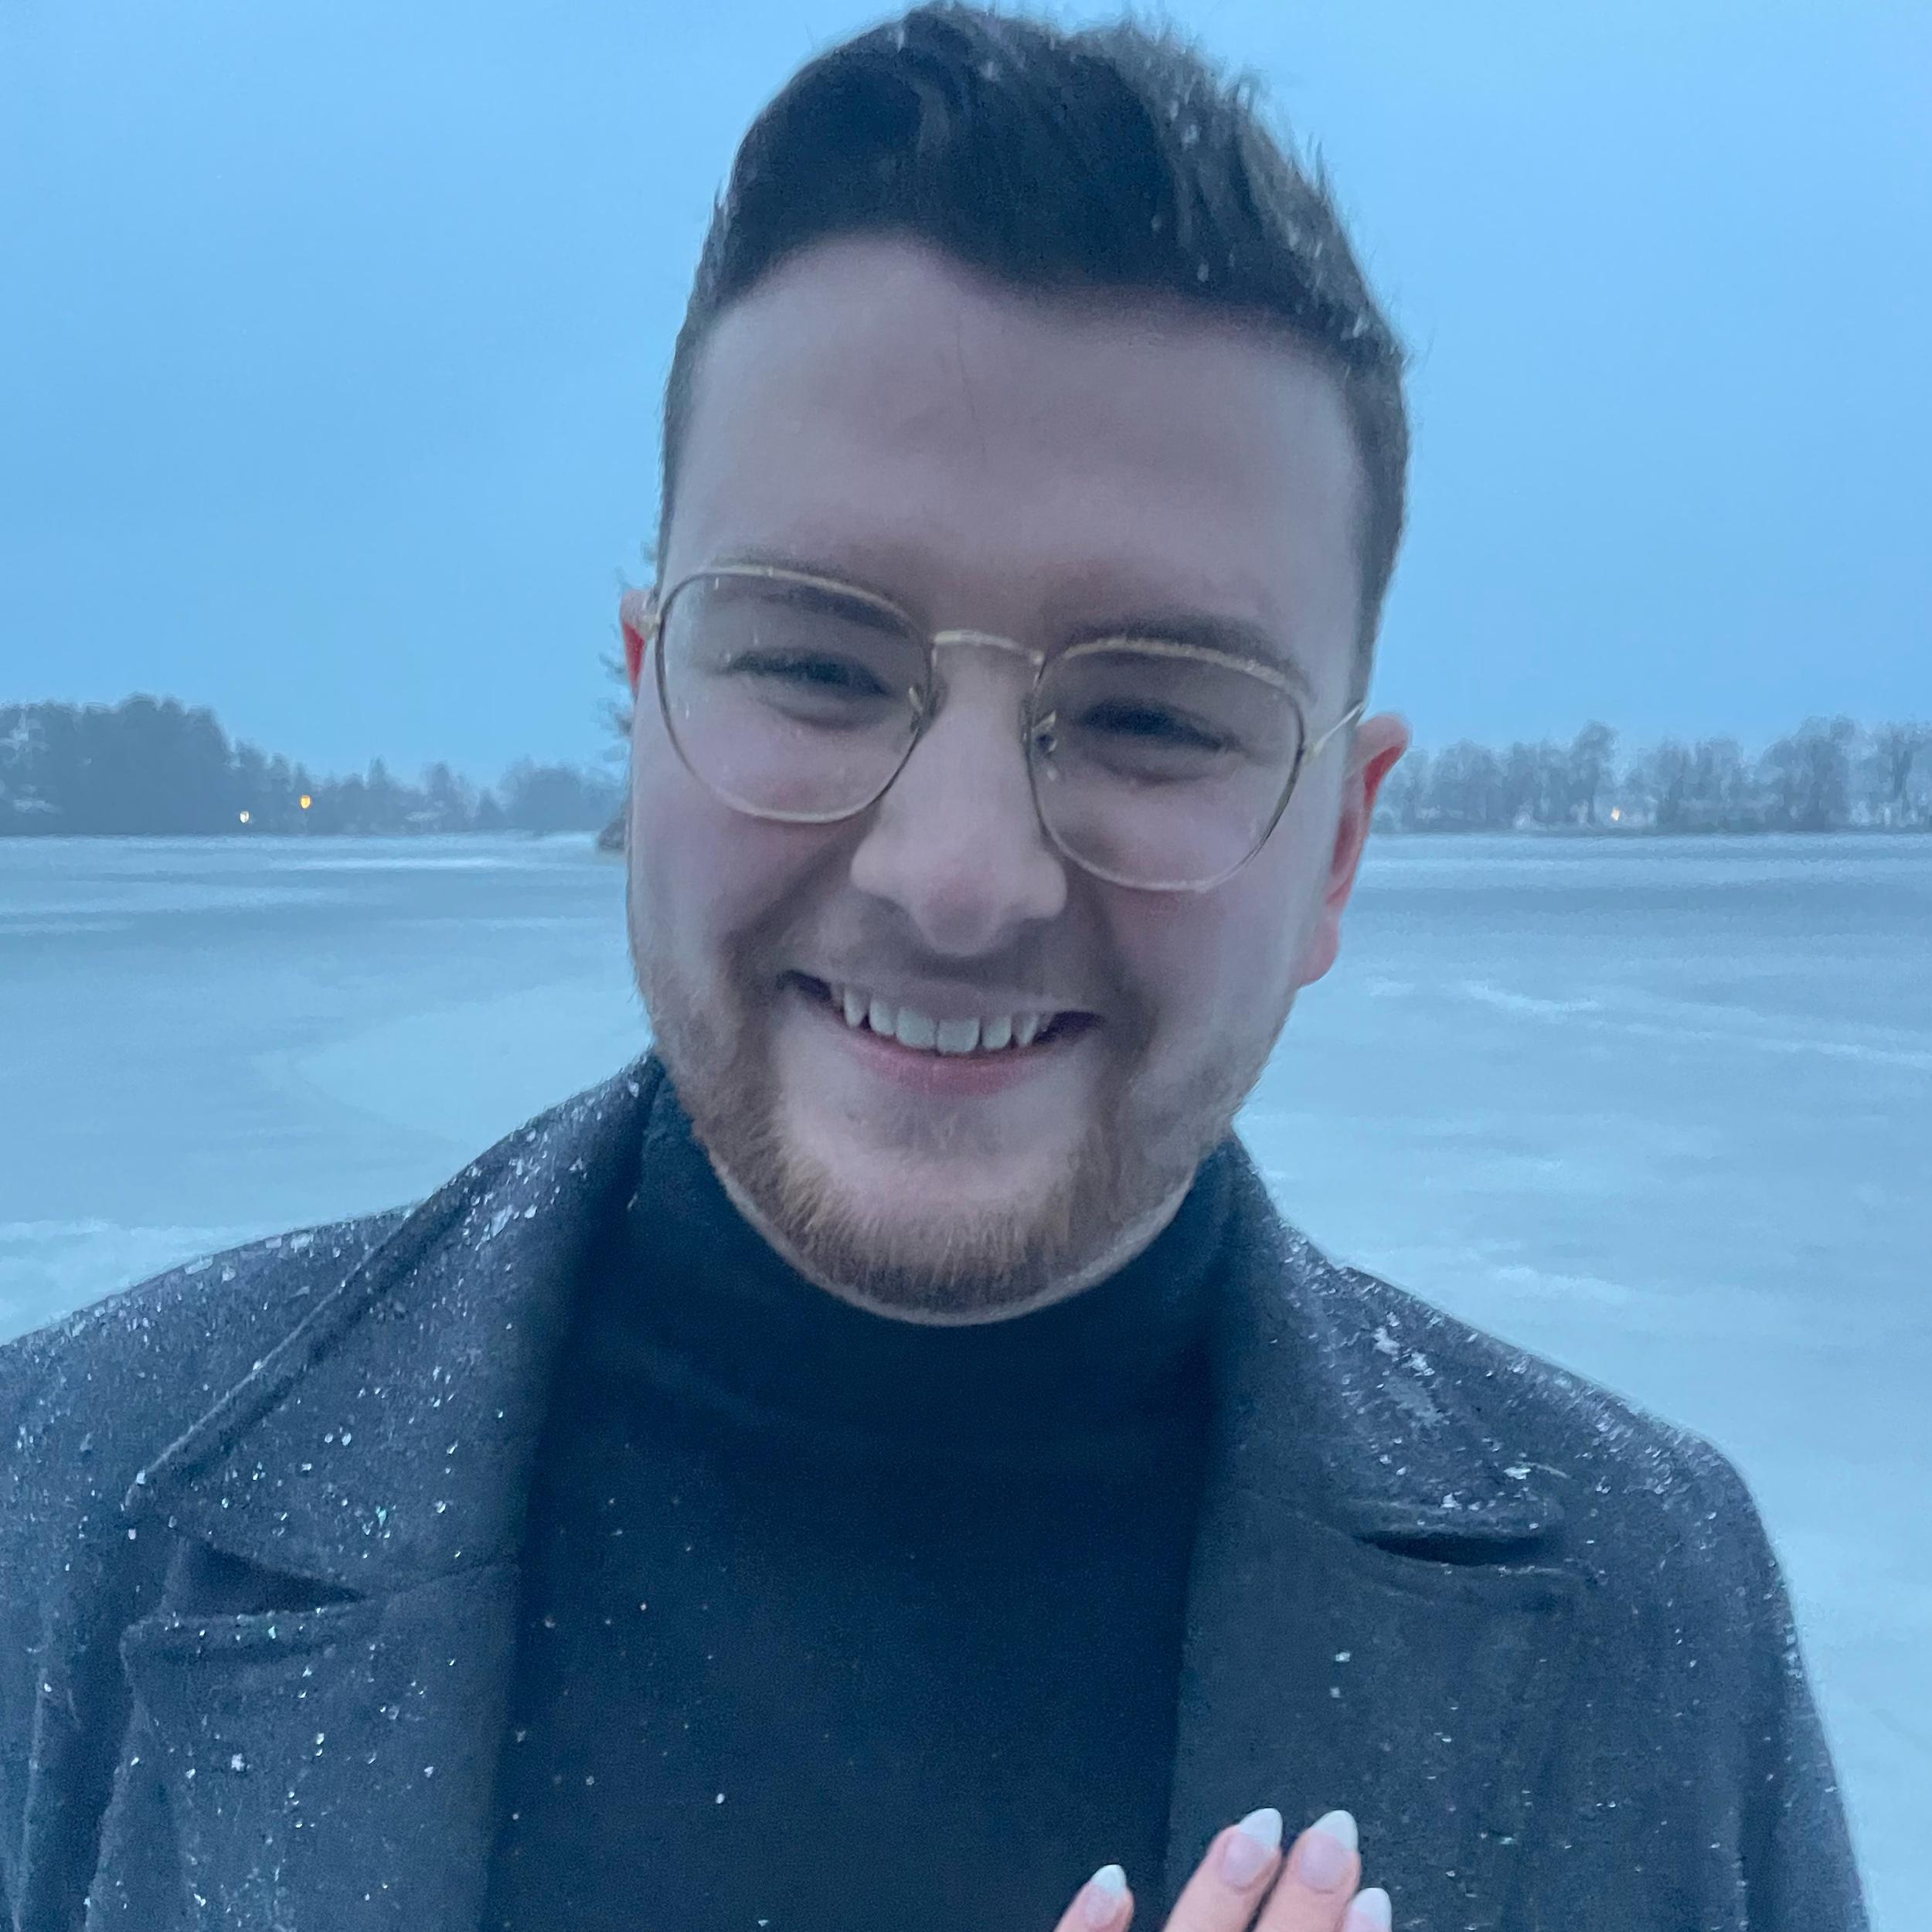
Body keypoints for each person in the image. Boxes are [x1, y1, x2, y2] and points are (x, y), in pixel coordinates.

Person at [0, 7, 1866, 1929]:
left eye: (1152, 715)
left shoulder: (1657, 1616)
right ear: (643, 710)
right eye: (817, 665)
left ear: (1336, 844)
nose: (957, 876)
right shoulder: (65, 1505)